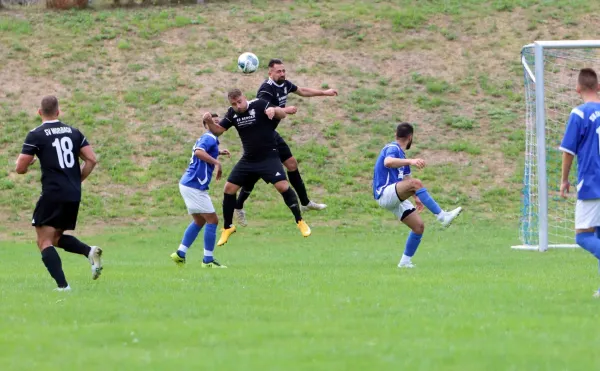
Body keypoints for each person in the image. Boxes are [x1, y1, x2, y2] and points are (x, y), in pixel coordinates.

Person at [233, 58, 337, 226]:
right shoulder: (266, 90)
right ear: (270, 73)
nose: (282, 74)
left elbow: (302, 90)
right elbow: (266, 110)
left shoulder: (285, 84)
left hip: (272, 134)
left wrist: (324, 92)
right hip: (261, 137)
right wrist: (285, 110)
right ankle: (238, 207)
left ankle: (305, 203)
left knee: (292, 164)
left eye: (283, 71)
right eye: (278, 71)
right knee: (255, 174)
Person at [15, 96, 102, 291]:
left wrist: (28, 164)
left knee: (43, 240)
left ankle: (63, 287)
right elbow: (91, 160)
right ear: (58, 112)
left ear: (39, 112)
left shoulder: (36, 134)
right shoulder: (74, 132)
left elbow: (20, 168)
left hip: (53, 192)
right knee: (55, 237)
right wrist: (76, 180)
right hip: (73, 193)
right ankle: (89, 251)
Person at [203, 88, 311, 246]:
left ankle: (300, 221)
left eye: (239, 101)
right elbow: (218, 131)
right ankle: (227, 227)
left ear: (244, 97)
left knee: (282, 186)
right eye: (234, 104)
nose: (238, 106)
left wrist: (274, 110)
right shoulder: (232, 113)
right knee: (228, 189)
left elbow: (283, 114)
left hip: (269, 156)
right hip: (249, 159)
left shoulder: (259, 104)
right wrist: (209, 122)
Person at [373, 122, 462, 268]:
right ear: (410, 137)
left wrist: (417, 197)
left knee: (418, 227)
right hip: (385, 193)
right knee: (416, 182)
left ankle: (405, 262)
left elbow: (406, 180)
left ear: (396, 134)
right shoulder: (392, 148)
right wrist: (412, 161)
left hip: (394, 196)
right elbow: (388, 162)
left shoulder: (402, 157)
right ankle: (442, 216)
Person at [559, 68, 600, 297]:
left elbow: (568, 151)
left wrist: (564, 180)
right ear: (599, 87)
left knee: (582, 236)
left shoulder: (580, 114)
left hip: (593, 183)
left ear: (578, 89)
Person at [170, 114, 230, 268]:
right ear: (206, 125)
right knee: (213, 220)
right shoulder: (209, 138)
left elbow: (203, 151)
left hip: (188, 183)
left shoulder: (210, 140)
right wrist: (217, 162)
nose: (218, 125)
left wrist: (218, 152)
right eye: (214, 122)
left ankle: (180, 254)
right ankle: (208, 261)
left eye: (219, 122)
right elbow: (198, 152)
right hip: (194, 185)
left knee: (199, 220)